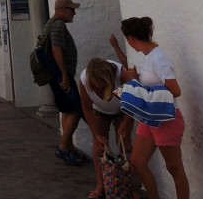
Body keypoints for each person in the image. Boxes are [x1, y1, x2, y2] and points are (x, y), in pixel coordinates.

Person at [120, 16, 190, 199]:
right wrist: (136, 78)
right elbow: (151, 84)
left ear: (130, 38)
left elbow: (175, 90)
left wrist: (147, 90)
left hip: (166, 119)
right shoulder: (146, 56)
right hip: (150, 118)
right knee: (137, 162)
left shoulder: (159, 58)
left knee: (174, 168)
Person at [79, 55, 135, 199]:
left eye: (102, 84)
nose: (98, 87)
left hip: (123, 109)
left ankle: (129, 186)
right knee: (99, 144)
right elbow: (86, 108)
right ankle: (101, 186)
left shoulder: (121, 75)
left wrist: (125, 123)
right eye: (95, 84)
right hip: (100, 110)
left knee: (124, 142)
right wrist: (96, 133)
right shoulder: (84, 80)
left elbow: (133, 100)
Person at [49, 0, 87, 165]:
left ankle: (69, 148)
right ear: (63, 9)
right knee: (75, 110)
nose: (74, 13)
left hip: (59, 75)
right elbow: (57, 49)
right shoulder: (57, 25)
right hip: (61, 76)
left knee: (67, 110)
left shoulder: (55, 24)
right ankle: (64, 147)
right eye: (72, 9)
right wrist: (64, 75)